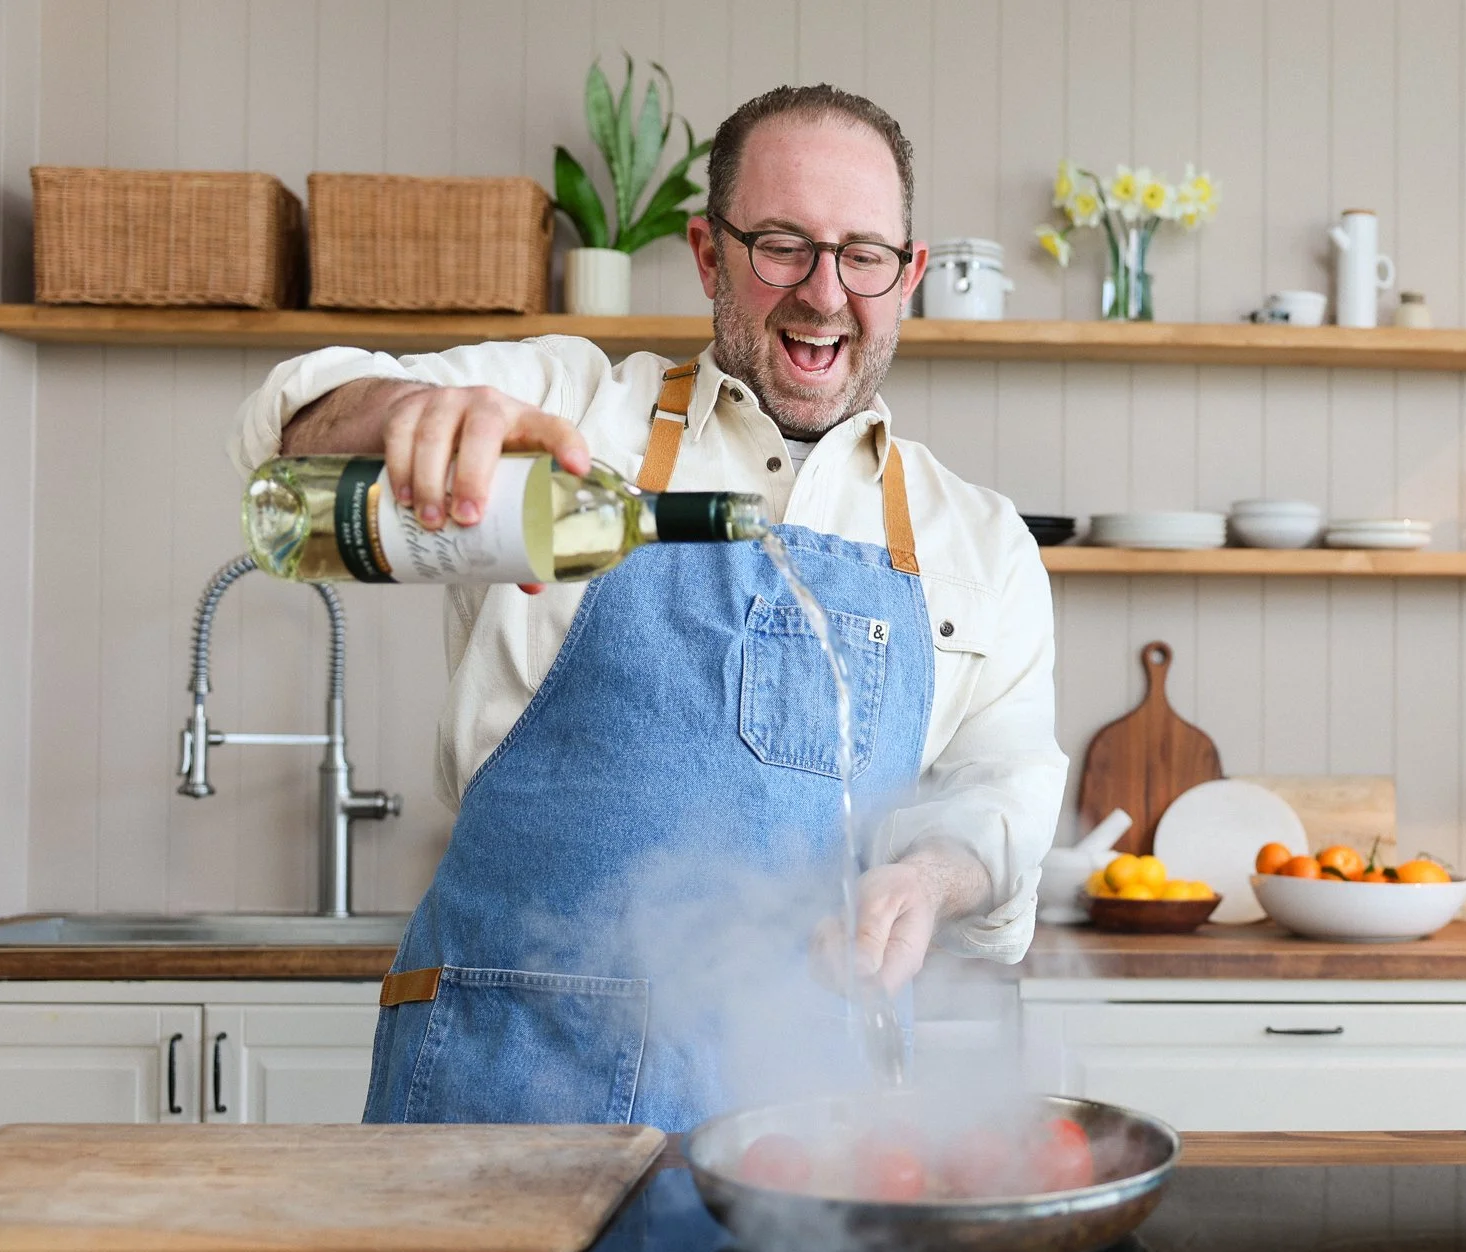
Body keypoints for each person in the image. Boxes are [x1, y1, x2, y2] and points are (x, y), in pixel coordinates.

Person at [228, 85, 1065, 1130]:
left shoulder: (978, 544)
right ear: (708, 256)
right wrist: (406, 413)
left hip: (795, 1117)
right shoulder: (570, 412)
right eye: (779, 245)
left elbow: (1003, 783)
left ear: (908, 277)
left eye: (860, 256)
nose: (822, 293)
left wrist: (934, 875)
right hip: (502, 1090)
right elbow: (295, 421)